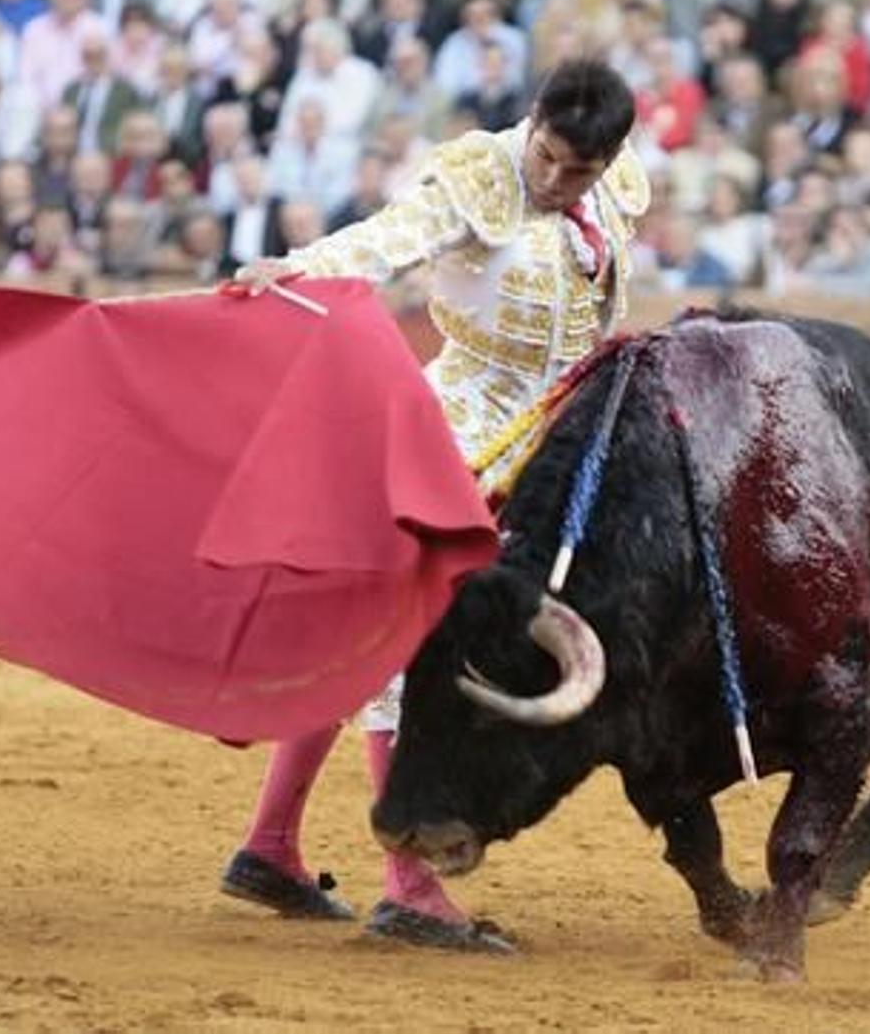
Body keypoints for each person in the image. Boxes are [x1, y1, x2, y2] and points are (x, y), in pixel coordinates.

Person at [221, 56, 649, 952]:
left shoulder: (609, 193)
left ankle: (269, 845)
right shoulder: (474, 178)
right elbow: (386, 238)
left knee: (373, 639)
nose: (555, 179)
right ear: (530, 125)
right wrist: (294, 268)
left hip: (547, 450)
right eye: (547, 157)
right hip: (448, 435)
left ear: (609, 161)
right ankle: (409, 884)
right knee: (405, 646)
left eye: (579, 171)